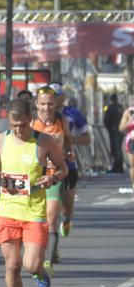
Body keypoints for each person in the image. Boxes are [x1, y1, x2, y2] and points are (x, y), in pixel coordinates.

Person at [0, 98, 67, 287]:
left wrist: (52, 177)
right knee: (12, 265)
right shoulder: (0, 140)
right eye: (14, 125)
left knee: (30, 264)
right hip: (7, 210)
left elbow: (63, 169)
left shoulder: (44, 142)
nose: (18, 129)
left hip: (33, 211)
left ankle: (39, 273)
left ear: (31, 120)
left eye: (22, 124)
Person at [31, 85, 72, 270]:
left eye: (50, 104)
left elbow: (69, 138)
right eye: (43, 104)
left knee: (52, 216)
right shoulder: (31, 122)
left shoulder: (62, 120)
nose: (46, 108)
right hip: (35, 174)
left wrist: (69, 151)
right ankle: (44, 252)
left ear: (56, 104)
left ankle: (47, 261)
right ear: (36, 104)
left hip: (55, 171)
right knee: (37, 219)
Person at [60, 95, 91, 239]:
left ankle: (66, 219)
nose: (47, 106)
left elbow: (87, 138)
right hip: (44, 168)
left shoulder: (71, 115)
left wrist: (69, 140)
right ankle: (52, 248)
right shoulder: (34, 117)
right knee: (49, 213)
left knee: (67, 208)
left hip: (67, 164)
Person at [103, 93, 124, 173]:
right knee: (118, 148)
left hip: (114, 130)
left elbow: (107, 119)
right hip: (120, 131)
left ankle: (117, 166)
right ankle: (119, 166)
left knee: (115, 149)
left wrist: (109, 127)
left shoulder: (111, 107)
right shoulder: (120, 107)